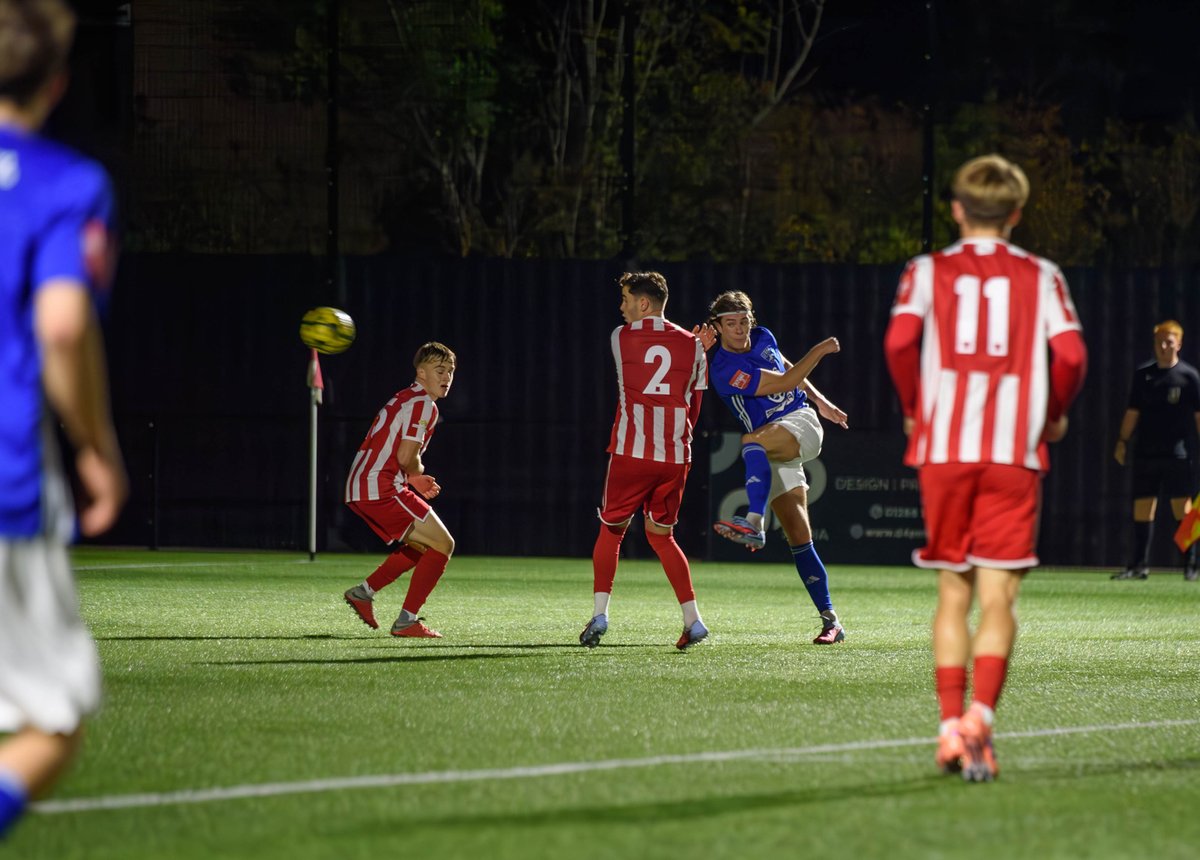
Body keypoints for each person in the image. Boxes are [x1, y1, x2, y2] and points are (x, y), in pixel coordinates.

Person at [884, 154, 1088, 782]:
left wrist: (917, 410)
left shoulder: (926, 270)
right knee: (999, 594)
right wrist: (1052, 414)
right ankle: (980, 720)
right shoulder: (1042, 274)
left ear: (956, 209)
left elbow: (897, 344)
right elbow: (1072, 355)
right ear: (1017, 214)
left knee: (954, 590)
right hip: (1012, 452)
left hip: (944, 451)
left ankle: (949, 729)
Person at [0, 0, 128, 838]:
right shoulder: (64, 183)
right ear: (57, 83)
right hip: (6, 482)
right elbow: (60, 327)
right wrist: (95, 448)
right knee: (53, 715)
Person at [699, 292, 848, 645]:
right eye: (730, 323)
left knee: (750, 441)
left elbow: (784, 366)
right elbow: (782, 381)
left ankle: (753, 522)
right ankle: (831, 621)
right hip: (776, 444)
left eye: (744, 320)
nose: (739, 329)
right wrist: (822, 349)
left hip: (800, 423)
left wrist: (821, 402)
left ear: (752, 319)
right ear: (717, 328)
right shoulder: (723, 369)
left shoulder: (763, 336)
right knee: (798, 534)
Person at [580, 271, 711, 650]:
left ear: (643, 303)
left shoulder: (620, 338)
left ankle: (600, 614)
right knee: (663, 537)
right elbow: (694, 409)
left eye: (625, 300)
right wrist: (699, 349)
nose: (620, 308)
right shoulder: (694, 345)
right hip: (674, 457)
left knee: (611, 530)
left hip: (631, 453)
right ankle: (694, 620)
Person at [341, 343, 457, 639]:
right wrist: (416, 476)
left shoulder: (407, 397)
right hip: (380, 486)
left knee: (424, 545)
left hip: (367, 483)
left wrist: (411, 476)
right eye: (439, 370)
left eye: (450, 371)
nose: (446, 377)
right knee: (443, 544)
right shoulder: (424, 404)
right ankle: (407, 620)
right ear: (421, 372)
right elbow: (407, 457)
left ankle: (363, 593)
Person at [1110, 320, 1200, 581]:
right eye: (1159, 341)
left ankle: (1190, 564)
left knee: (1182, 509)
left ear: (1179, 344)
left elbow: (1197, 417)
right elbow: (1132, 412)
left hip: (1178, 454)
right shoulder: (1143, 375)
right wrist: (1122, 441)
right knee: (1142, 507)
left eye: (1169, 341)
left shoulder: (1189, 377)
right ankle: (1138, 566)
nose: (1163, 346)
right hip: (1146, 452)